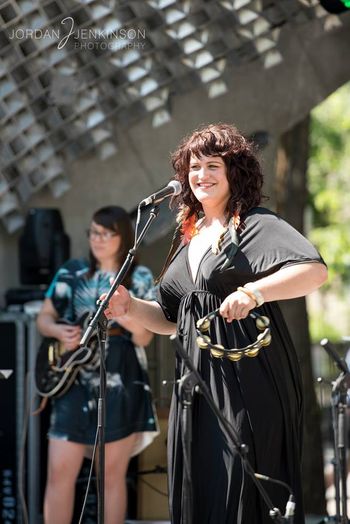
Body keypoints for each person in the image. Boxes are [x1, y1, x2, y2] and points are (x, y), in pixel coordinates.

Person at [104, 123, 328, 524]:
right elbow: (171, 319)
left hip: (247, 378)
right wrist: (130, 307)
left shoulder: (253, 224)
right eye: (194, 166)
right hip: (196, 384)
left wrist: (253, 293)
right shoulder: (189, 234)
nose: (201, 175)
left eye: (213, 166)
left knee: (240, 486)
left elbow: (313, 272)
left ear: (233, 174)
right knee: (200, 484)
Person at [36, 206, 159, 524]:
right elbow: (43, 318)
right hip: (71, 380)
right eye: (93, 232)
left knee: (111, 476)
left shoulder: (139, 277)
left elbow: (145, 338)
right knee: (59, 471)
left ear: (124, 237)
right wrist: (57, 331)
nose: (98, 239)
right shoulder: (71, 271)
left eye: (107, 233)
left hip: (120, 378)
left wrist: (126, 313)